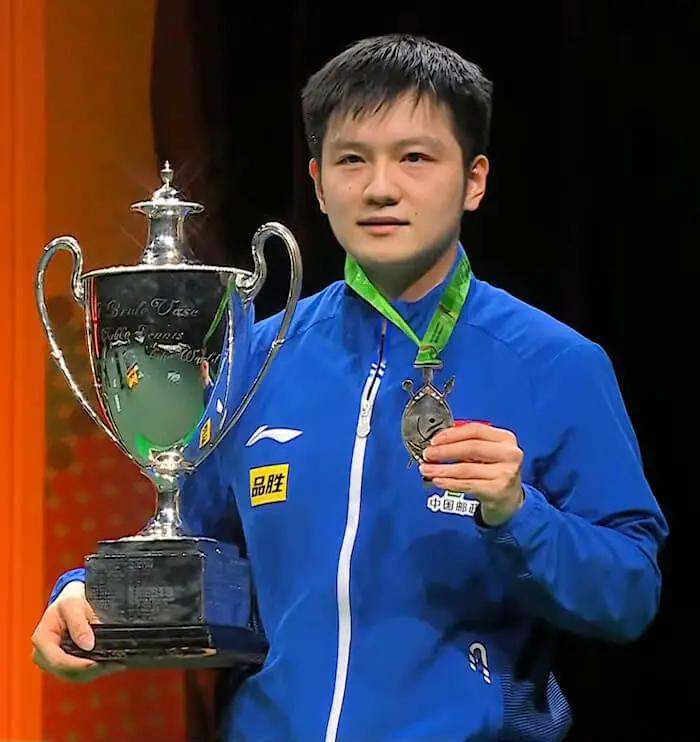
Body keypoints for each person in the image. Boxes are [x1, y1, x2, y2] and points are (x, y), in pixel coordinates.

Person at [32, 34, 668, 742]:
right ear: (317, 180)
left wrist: (519, 514)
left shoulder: (555, 363)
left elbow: (631, 595)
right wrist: (87, 597)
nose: (380, 187)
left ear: (476, 179)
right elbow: (187, 533)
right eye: (351, 159)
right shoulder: (254, 357)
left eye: (416, 158)